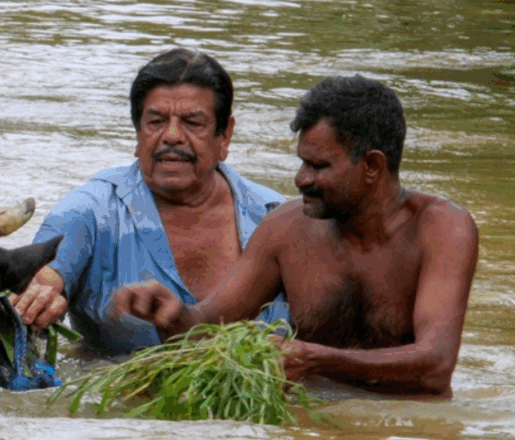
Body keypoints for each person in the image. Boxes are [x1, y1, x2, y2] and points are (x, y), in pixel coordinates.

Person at [113, 75, 479, 399]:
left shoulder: (441, 229)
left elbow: (435, 364)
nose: (301, 179)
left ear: (372, 166)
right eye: (302, 163)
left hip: (408, 437)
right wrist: (173, 313)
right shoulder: (286, 228)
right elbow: (205, 331)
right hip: (307, 426)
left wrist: (318, 359)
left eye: (319, 166)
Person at [9, 48, 289, 355]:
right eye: (155, 121)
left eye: (192, 123)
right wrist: (40, 303)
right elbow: (42, 281)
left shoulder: (278, 219)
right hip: (123, 393)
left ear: (225, 137)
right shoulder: (88, 212)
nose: (171, 136)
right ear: (137, 135)